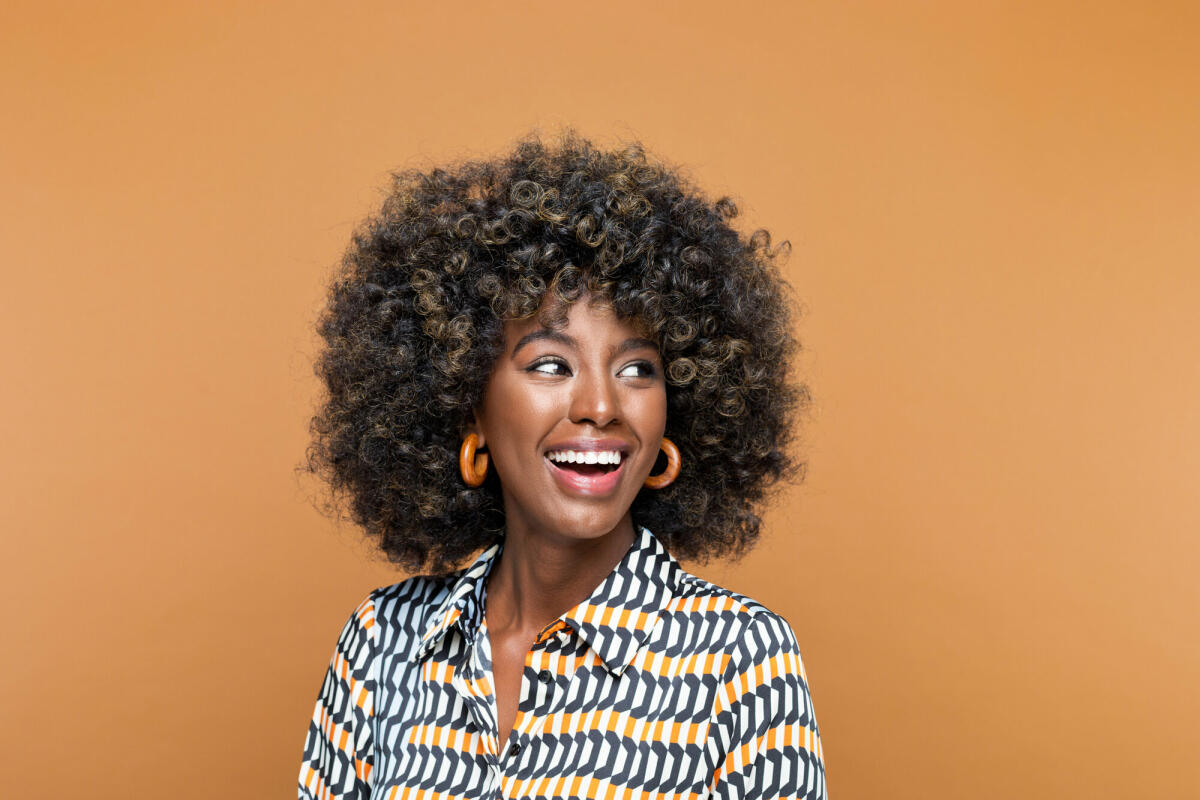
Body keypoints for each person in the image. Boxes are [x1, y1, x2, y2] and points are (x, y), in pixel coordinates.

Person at [298, 129, 827, 799]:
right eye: (551, 364)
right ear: (467, 404)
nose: (602, 405)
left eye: (638, 368)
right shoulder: (380, 646)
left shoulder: (739, 660)